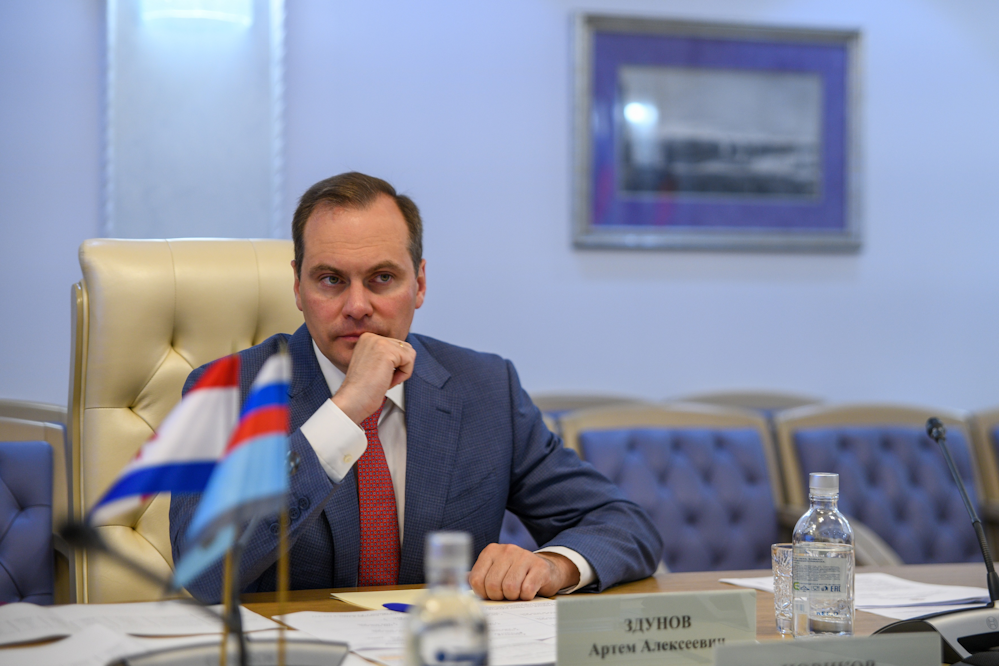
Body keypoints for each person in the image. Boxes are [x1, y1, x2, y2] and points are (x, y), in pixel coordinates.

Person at [170, 172, 663, 603]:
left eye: (382, 278)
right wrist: (343, 413)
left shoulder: (486, 389)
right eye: (331, 280)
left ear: (420, 284)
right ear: (298, 286)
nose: (357, 306)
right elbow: (203, 571)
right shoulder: (228, 391)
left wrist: (554, 566)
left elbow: (624, 524)